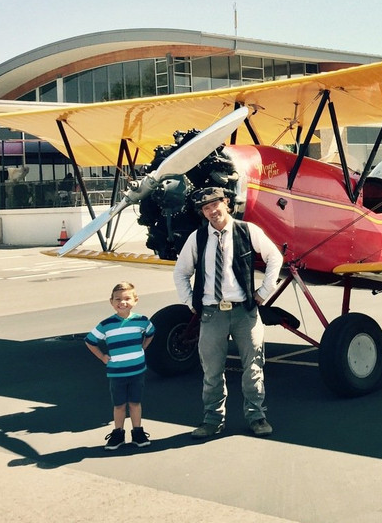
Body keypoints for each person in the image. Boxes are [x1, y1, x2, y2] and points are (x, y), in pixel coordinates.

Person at [173, 186, 283, 439]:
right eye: (206, 208)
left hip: (245, 312)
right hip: (212, 314)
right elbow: (181, 272)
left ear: (226, 203)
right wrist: (190, 301)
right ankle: (212, 420)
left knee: (254, 367)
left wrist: (265, 291)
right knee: (212, 371)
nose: (212, 211)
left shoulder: (247, 231)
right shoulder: (198, 238)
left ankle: (256, 416)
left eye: (215, 204)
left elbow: (274, 257)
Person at [84, 282, 156, 450]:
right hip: (117, 373)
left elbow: (151, 333)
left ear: (135, 300)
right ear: (111, 302)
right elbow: (90, 341)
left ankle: (137, 432)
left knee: (135, 403)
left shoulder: (142, 321)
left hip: (137, 371)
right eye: (117, 299)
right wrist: (102, 356)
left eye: (127, 298)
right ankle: (118, 433)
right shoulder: (106, 324)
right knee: (119, 405)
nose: (122, 302)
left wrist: (143, 347)